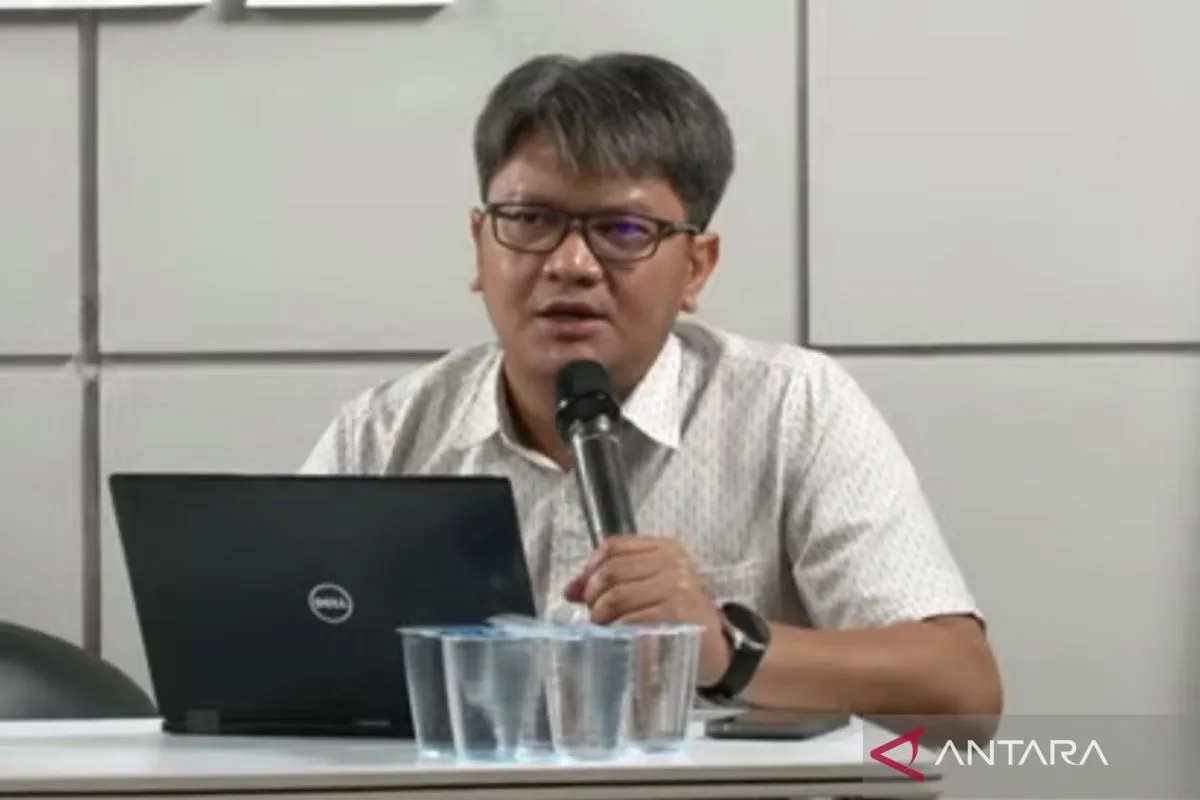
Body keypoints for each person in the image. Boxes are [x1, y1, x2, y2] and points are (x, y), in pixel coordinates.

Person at [302, 51, 1003, 741]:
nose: (570, 264)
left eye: (623, 230)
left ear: (696, 267)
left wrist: (725, 649)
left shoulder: (791, 406)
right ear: (480, 243)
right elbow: (275, 650)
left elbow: (963, 697)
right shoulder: (385, 433)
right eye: (530, 220)